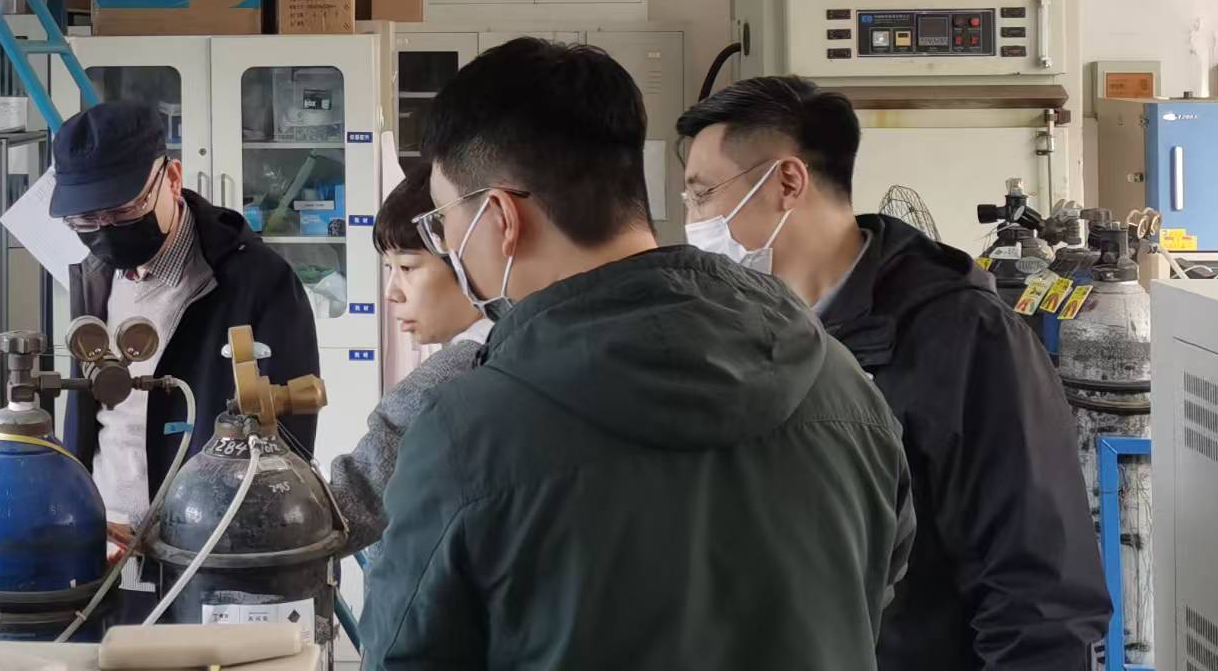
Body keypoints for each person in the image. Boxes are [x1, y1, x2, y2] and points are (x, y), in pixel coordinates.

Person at [361, 39, 912, 670]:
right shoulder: (844, 385)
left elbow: (404, 654)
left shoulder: (465, 432)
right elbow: (875, 594)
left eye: (441, 222)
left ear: (500, 216)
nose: (446, 244)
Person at [678, 75, 1110, 671]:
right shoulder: (745, 335)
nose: (693, 222)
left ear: (787, 183)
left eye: (702, 195)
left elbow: (1040, 596)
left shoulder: (963, 339)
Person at [50, 98, 320, 551]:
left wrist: (183, 541)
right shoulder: (94, 276)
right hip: (104, 544)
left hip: (204, 552)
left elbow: (285, 460)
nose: (105, 229)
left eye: (123, 210)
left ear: (172, 179)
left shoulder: (258, 284)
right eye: (86, 219)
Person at [325, 166, 488, 561]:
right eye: (389, 269)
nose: (391, 292)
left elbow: (348, 506)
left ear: (469, 261)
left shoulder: (454, 375)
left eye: (408, 267)